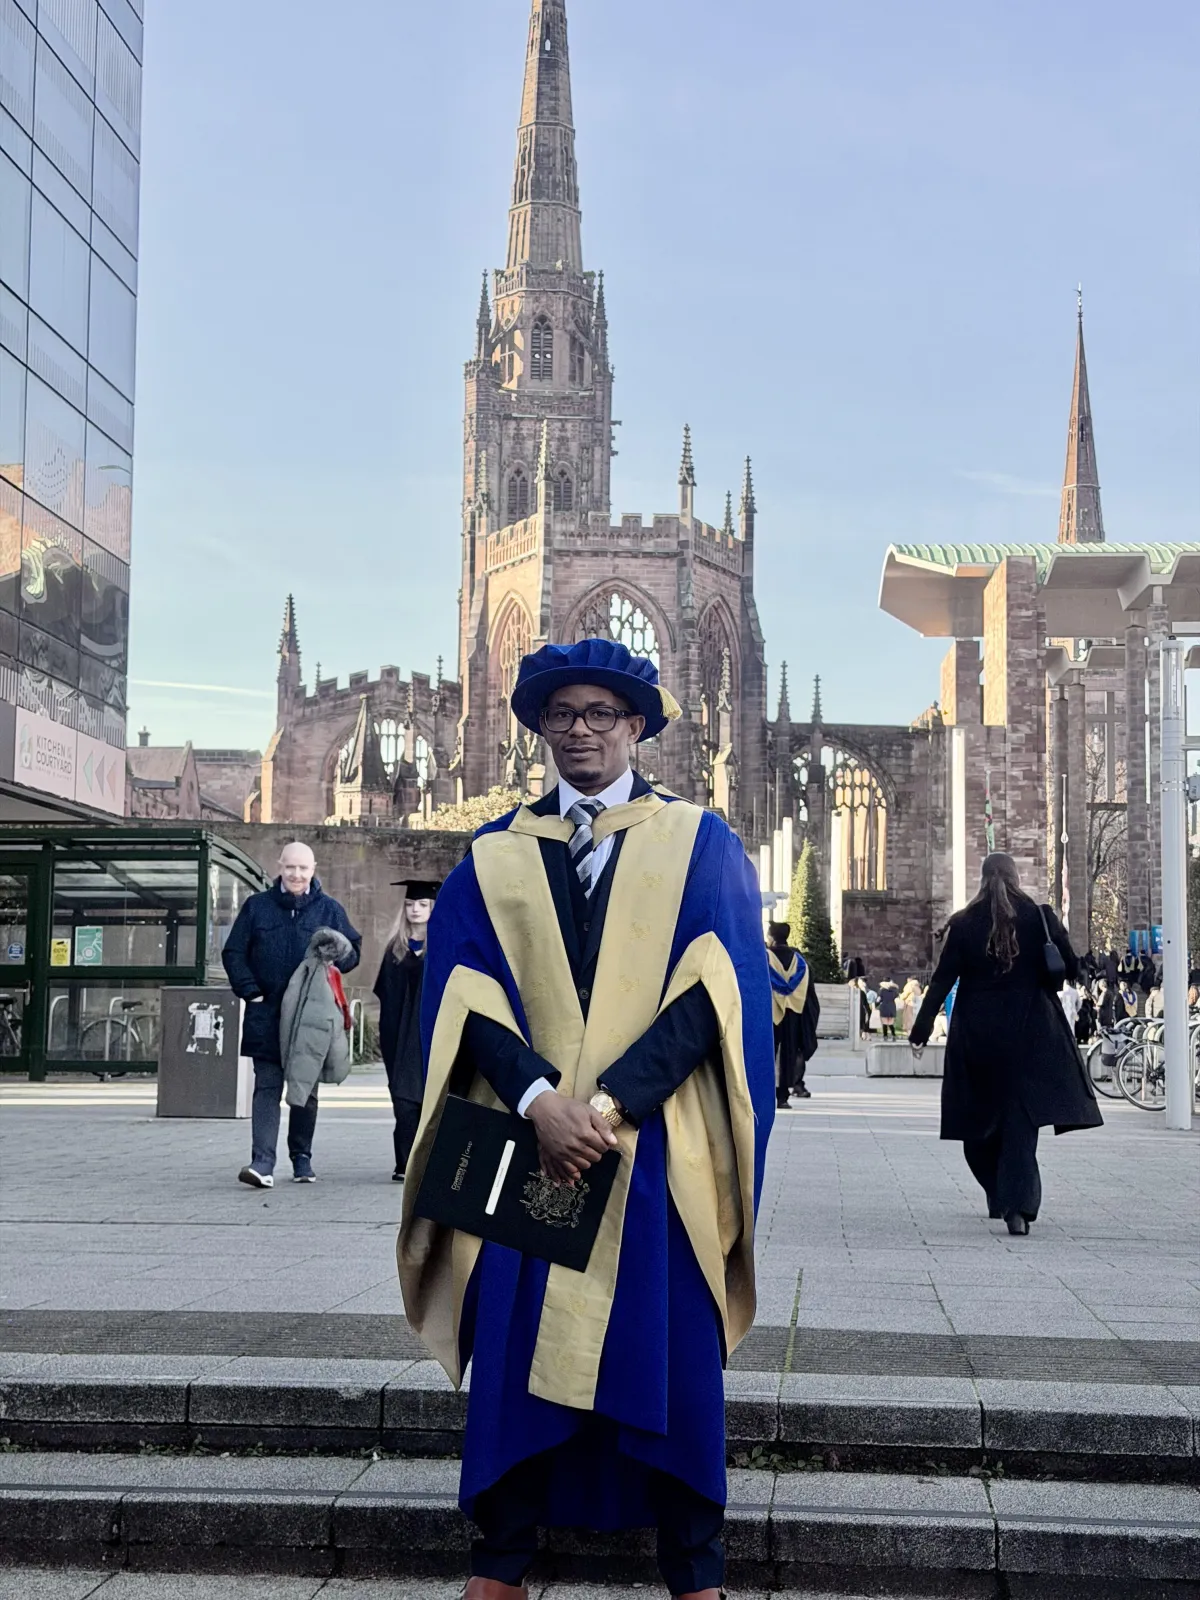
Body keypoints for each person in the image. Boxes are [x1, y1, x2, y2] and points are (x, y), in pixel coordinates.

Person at [398, 637, 774, 1600]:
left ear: (636, 725)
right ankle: (501, 1562)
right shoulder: (494, 855)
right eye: (561, 714)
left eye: (600, 713)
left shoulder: (700, 842)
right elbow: (464, 995)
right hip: (533, 1143)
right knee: (516, 1343)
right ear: (540, 728)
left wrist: (606, 1107)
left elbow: (717, 991)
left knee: (670, 1346)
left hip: (652, 1149)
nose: (580, 731)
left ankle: (695, 1567)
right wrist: (539, 1103)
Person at [909, 852, 1102, 1236]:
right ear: (1016, 878)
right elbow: (1068, 966)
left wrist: (921, 1028)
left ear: (982, 880)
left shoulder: (964, 923)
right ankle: (1018, 1206)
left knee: (976, 1124)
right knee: (1019, 1125)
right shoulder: (1039, 917)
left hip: (979, 1036)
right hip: (1032, 1033)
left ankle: (1000, 1193)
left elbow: (942, 979)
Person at [222, 841, 361, 1187]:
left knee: (305, 1091)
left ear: (313, 870)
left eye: (303, 868)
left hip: (308, 1019)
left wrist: (340, 951)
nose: (296, 874)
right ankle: (263, 1163)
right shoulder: (257, 907)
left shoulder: (329, 909)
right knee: (266, 1088)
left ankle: (301, 1157)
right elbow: (234, 952)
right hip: (266, 1014)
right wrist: (250, 991)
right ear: (280, 867)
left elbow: (352, 955)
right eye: (290, 867)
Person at [373, 879, 440, 1181]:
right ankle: (404, 1162)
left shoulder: (440, 947)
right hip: (398, 1035)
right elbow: (384, 994)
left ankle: (426, 1161)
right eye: (411, 904)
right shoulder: (395, 950)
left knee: (428, 1097)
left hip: (428, 1035)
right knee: (402, 1098)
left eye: (423, 904)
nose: (415, 909)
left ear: (432, 908)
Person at [767, 921, 811, 1106]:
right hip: (792, 1012)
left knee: (768, 1053)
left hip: (770, 1012)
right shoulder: (799, 961)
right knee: (788, 1054)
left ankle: (766, 1093)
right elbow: (804, 989)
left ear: (771, 937)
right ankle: (783, 1096)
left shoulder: (765, 957)